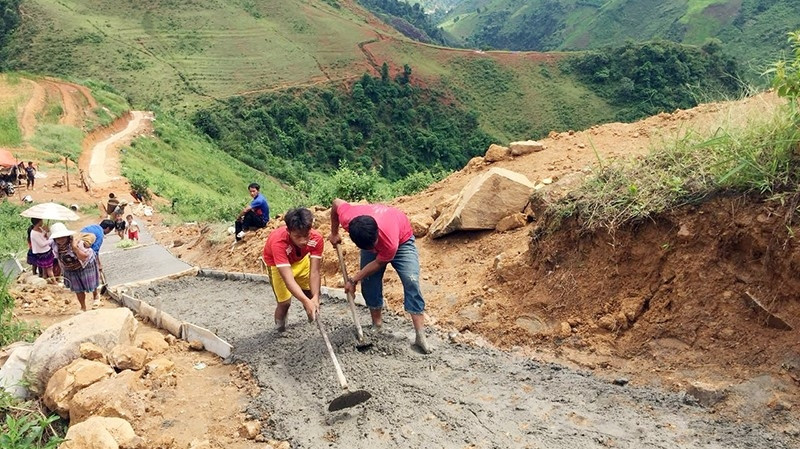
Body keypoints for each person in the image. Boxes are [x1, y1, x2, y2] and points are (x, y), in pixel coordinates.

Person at [328, 198, 432, 354]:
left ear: (377, 232)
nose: (374, 248)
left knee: (411, 281)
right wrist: (334, 232)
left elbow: (378, 263)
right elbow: (336, 203)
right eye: (368, 247)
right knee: (369, 282)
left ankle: (420, 334)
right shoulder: (348, 218)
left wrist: (353, 279)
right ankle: (377, 325)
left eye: (374, 244)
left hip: (401, 241)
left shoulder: (389, 240)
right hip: (374, 238)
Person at [262, 208, 323, 331]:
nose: (303, 241)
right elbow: (288, 280)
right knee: (284, 303)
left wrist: (315, 297)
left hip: (300, 260)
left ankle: (313, 320)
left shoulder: (316, 239)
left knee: (310, 293)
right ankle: (279, 328)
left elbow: (315, 271)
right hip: (276, 264)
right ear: (289, 231)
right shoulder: (279, 243)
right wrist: (306, 302)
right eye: (297, 236)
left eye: (306, 235)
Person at [50, 223, 100, 313]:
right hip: (70, 268)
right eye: (58, 238)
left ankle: (96, 296)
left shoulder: (77, 243)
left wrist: (75, 249)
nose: (60, 240)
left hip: (85, 264)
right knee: (78, 289)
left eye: (63, 237)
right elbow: (58, 258)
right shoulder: (54, 246)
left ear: (67, 236)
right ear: (54, 239)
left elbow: (84, 257)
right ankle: (83, 307)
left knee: (91, 283)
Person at [80, 219, 115, 308]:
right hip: (85, 253)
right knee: (92, 274)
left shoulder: (93, 227)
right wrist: (98, 265)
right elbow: (94, 252)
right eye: (110, 230)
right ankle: (95, 295)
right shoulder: (100, 235)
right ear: (107, 228)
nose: (108, 232)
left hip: (78, 251)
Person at [27, 218, 55, 282]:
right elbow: (42, 244)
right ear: (39, 222)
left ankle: (45, 278)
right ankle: (54, 282)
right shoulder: (34, 233)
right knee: (49, 269)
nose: (42, 221)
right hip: (42, 253)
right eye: (41, 220)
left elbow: (44, 237)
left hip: (47, 250)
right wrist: (51, 240)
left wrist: (46, 232)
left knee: (45, 268)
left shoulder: (40, 229)